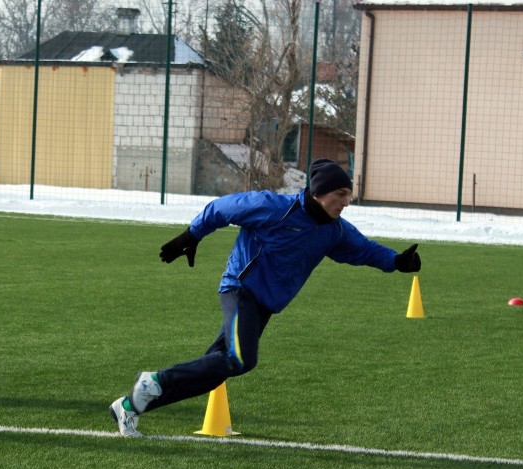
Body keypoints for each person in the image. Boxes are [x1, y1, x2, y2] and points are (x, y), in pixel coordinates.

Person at [109, 158, 422, 437]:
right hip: (240, 290)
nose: (346, 202)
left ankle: (130, 405)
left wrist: (396, 261)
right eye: (340, 194)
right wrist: (191, 236)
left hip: (266, 304)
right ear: (319, 191)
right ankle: (154, 381)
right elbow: (221, 208)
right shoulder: (274, 207)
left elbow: (365, 249)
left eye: (348, 196)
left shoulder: (334, 230)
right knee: (241, 359)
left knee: (216, 371)